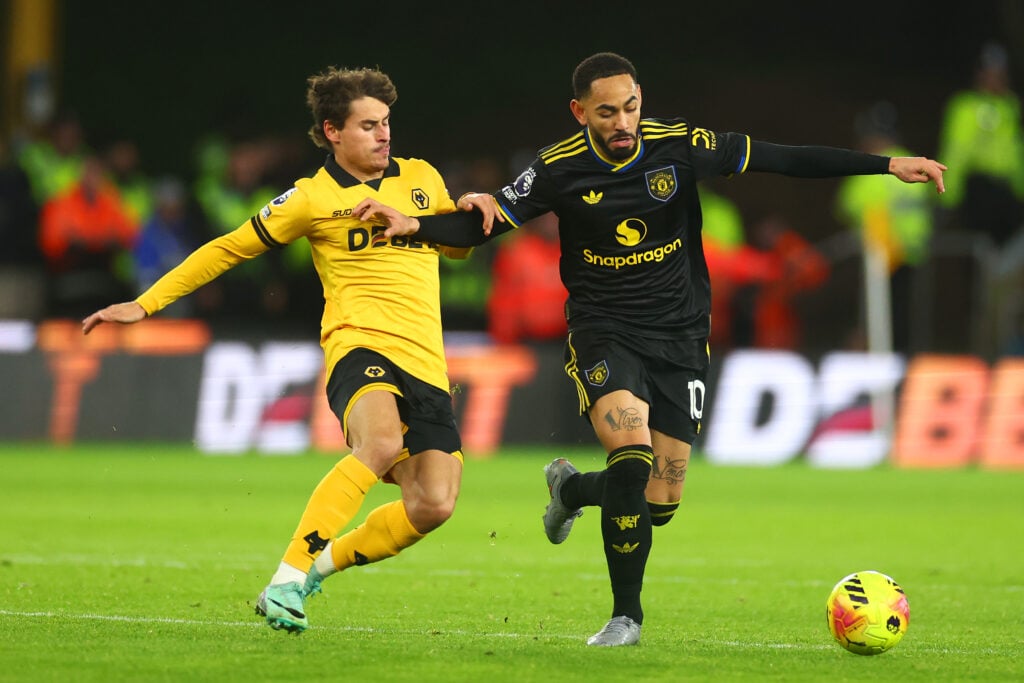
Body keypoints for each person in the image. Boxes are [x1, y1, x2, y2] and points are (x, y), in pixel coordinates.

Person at [353, 52, 946, 647]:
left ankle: (571, 489)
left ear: (642, 101)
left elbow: (781, 158)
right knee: (632, 459)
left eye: (631, 107)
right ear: (579, 111)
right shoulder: (558, 168)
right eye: (607, 112)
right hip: (604, 331)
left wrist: (889, 164)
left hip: (682, 336)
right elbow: (485, 224)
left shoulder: (681, 146)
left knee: (659, 500)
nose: (623, 123)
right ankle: (625, 619)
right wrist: (415, 225)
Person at [81, 66, 494, 634]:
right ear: (332, 131)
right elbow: (229, 248)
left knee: (434, 505)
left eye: (387, 123)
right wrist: (146, 304)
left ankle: (319, 568)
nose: (384, 135)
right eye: (369, 125)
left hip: (427, 361)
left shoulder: (420, 176)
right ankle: (284, 579)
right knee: (380, 442)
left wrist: (463, 213)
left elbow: (458, 252)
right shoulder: (311, 198)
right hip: (360, 347)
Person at [837, 102, 937, 355]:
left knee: (878, 320)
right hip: (914, 253)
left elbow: (846, 205)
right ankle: (903, 364)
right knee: (905, 318)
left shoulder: (875, 165)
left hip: (884, 257)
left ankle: (883, 368)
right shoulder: (913, 160)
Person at [938, 42, 1024, 249]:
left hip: (1007, 192)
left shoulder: (1010, 107)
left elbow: (1016, 152)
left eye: (1000, 72)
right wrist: (947, 195)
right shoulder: (965, 106)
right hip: (977, 188)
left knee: (1008, 252)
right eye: (990, 72)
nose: (995, 78)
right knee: (980, 249)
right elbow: (956, 151)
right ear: (980, 74)